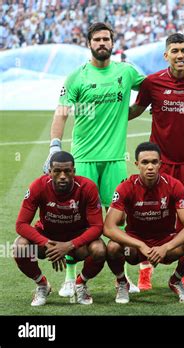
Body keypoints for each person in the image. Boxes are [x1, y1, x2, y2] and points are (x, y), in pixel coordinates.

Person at [43, 22, 144, 296]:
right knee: (76, 221)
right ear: (89, 43)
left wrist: (130, 112)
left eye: (106, 39)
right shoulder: (77, 76)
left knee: (119, 224)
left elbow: (153, 88)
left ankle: (121, 278)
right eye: (97, 39)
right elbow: (62, 112)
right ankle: (70, 276)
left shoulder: (126, 72)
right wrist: (54, 147)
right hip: (84, 158)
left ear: (113, 43)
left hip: (114, 160)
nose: (102, 43)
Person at [129, 33, 184, 292]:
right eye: (174, 51)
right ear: (166, 55)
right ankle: (145, 271)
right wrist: (101, 115)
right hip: (159, 162)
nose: (180, 55)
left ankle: (182, 275)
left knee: (183, 217)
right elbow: (135, 111)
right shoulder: (152, 83)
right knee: (148, 216)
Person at [104, 142, 184, 303]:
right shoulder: (125, 187)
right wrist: (140, 245)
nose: (150, 167)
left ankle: (176, 280)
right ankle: (122, 283)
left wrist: (166, 247)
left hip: (165, 242)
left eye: (154, 162)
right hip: (135, 245)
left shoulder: (173, 185)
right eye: (145, 162)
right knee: (112, 247)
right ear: (136, 164)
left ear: (160, 164)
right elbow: (109, 227)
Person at [14, 151, 106, 306]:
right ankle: (42, 285)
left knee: (99, 249)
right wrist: (47, 243)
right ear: (49, 172)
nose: (62, 176)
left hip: (77, 243)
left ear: (74, 172)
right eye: (57, 171)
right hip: (47, 240)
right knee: (20, 247)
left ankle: (80, 283)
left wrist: (69, 245)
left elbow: (97, 227)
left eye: (67, 171)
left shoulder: (87, 187)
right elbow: (21, 224)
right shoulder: (38, 186)